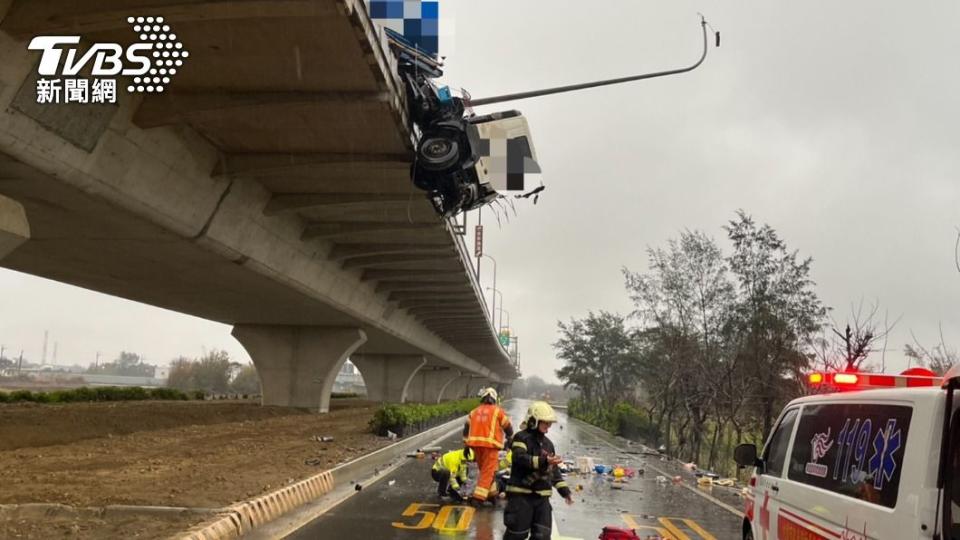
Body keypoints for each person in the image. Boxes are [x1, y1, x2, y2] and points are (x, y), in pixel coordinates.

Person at [503, 401, 573, 540]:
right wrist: (544, 461)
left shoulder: (548, 444)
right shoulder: (521, 438)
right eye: (545, 422)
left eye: (549, 423)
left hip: (542, 499)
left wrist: (565, 491)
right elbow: (520, 458)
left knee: (542, 535)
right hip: (521, 496)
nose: (548, 426)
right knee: (516, 535)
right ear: (534, 420)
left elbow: (553, 471)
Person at [463, 387, 513, 503]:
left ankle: (491, 494)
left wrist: (466, 444)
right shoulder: (497, 411)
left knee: (486, 472)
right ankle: (478, 498)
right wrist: (510, 438)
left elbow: (466, 428)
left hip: (475, 446)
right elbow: (507, 426)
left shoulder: (474, 412)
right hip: (490, 447)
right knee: (488, 472)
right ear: (494, 399)